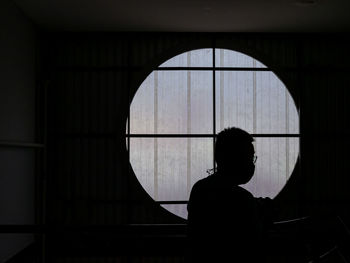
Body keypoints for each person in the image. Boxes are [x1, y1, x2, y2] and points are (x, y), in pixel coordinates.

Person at [187, 127, 274, 263]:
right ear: (234, 159)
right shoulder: (243, 199)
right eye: (249, 158)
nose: (252, 164)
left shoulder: (200, 188)